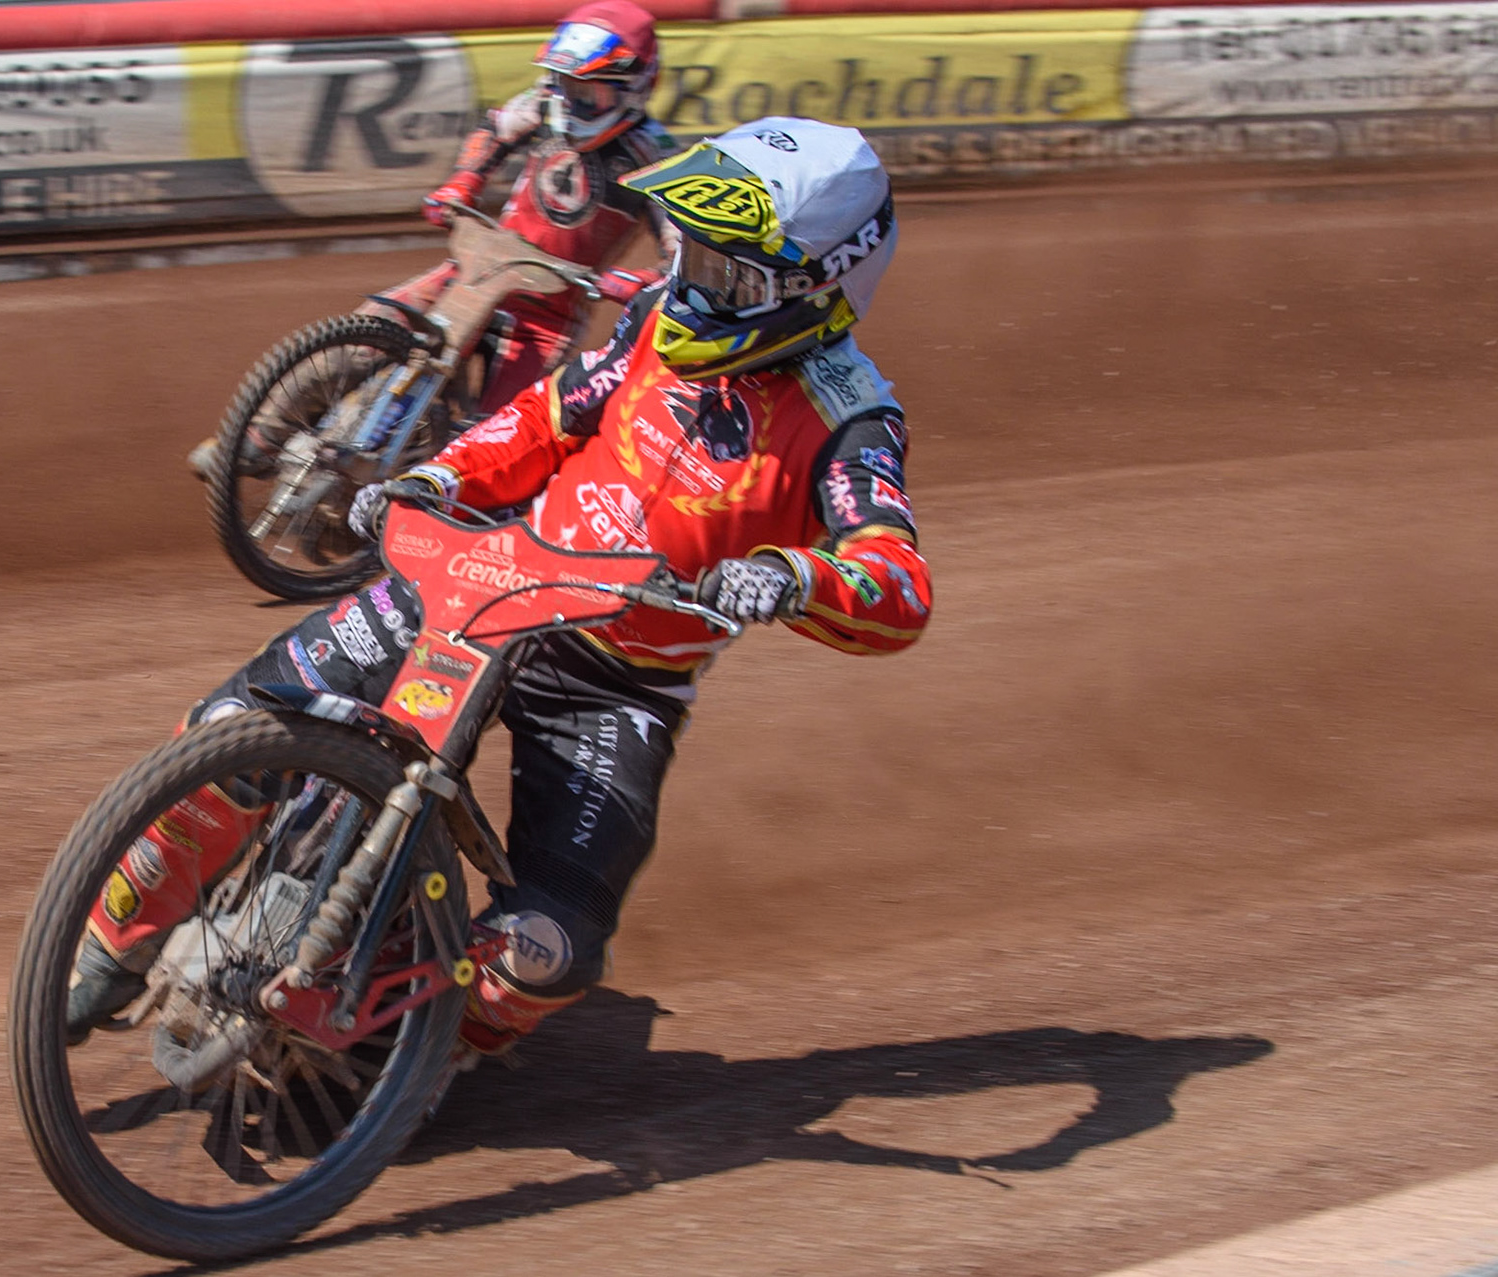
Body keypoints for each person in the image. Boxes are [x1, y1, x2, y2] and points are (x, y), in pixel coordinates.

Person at [73, 117, 933, 1058]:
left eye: (726, 273)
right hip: (487, 579)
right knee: (226, 737)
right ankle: (107, 952)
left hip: (616, 681)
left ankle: (414, 1059)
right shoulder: (655, 315)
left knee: (550, 951)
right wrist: (438, 480)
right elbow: (551, 414)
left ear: (818, 286)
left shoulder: (851, 418)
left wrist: (794, 576)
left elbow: (895, 580)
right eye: (686, 248)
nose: (689, 281)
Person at [379, 0, 679, 413]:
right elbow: (496, 131)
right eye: (565, 85)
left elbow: (684, 244)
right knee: (377, 323)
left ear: (634, 86)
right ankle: (265, 432)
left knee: (506, 425)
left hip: (549, 312)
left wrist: (644, 281)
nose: (571, 103)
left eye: (588, 92)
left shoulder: (656, 155)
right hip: (483, 271)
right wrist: (463, 182)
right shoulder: (543, 102)